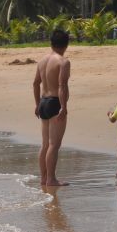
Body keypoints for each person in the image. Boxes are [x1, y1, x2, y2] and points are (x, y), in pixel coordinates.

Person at [33, 29, 71, 187]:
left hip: (43, 101)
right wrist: (63, 106)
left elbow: (36, 83)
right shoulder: (63, 62)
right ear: (66, 44)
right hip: (55, 102)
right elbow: (62, 86)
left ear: (51, 43)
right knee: (54, 144)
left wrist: (36, 104)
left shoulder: (42, 61)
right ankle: (51, 179)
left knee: (45, 144)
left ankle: (43, 178)